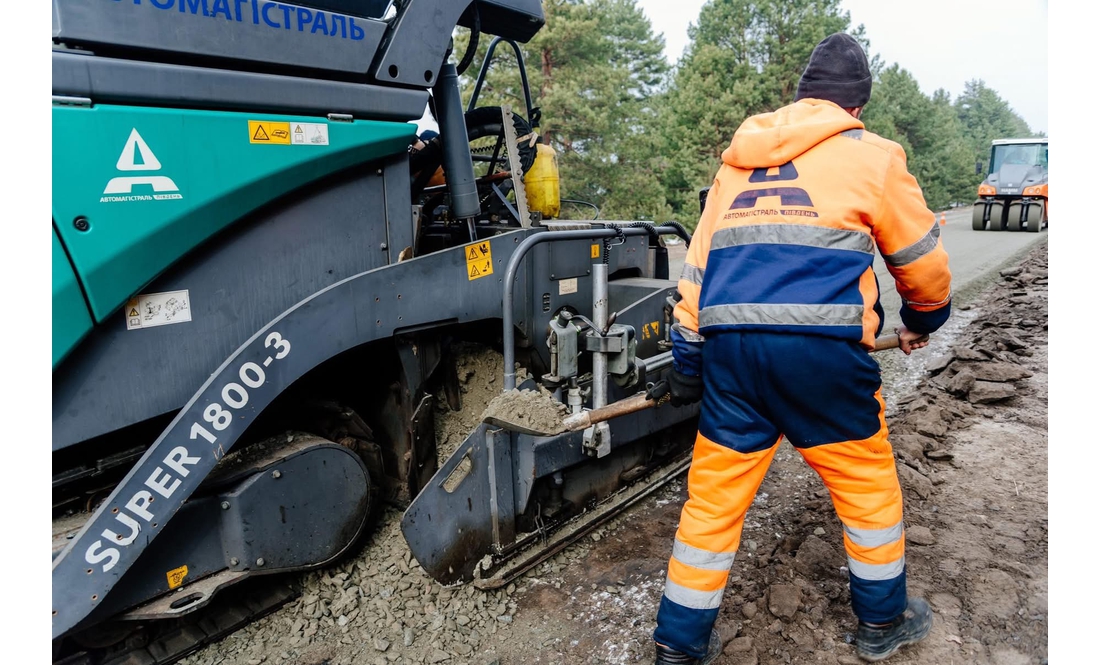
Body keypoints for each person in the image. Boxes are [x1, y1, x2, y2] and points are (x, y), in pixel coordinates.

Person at [652, 32, 952, 665]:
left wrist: (688, 362)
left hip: (732, 360)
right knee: (867, 491)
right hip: (822, 360)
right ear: (856, 108)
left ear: (800, 97)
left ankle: (677, 649)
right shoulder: (873, 155)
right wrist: (927, 316)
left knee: (710, 507)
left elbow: (696, 275)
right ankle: (881, 625)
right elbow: (921, 261)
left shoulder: (737, 161)